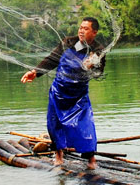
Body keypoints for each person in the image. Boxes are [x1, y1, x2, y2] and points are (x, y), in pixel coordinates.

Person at [21, 17, 106, 170]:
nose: (81, 30)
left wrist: (92, 66)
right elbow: (51, 60)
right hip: (58, 91)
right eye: (80, 27)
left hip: (78, 96)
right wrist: (35, 71)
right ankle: (58, 155)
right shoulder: (68, 43)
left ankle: (91, 159)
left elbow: (99, 73)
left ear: (94, 32)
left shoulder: (98, 50)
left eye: (86, 28)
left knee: (85, 126)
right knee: (54, 123)